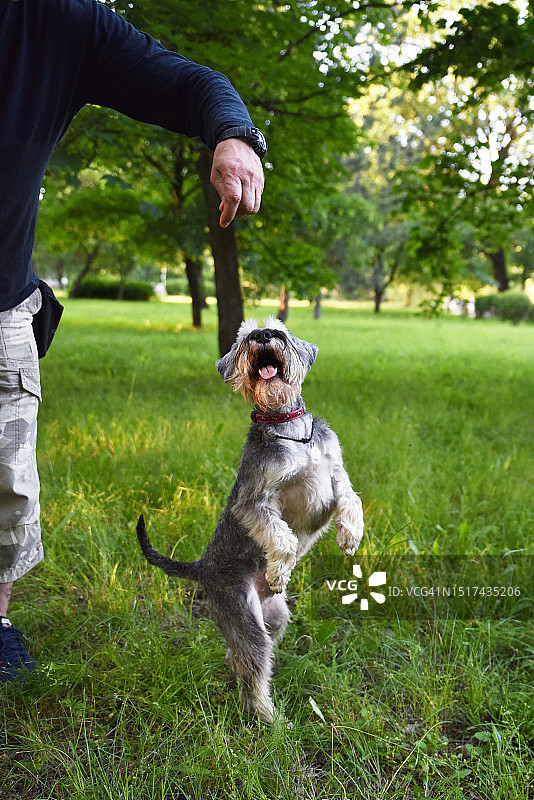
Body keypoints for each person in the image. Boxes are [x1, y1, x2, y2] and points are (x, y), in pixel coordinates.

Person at [0, 0, 266, 682]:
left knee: (4, 486)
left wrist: (233, 135)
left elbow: (189, 84)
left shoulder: (58, 22)